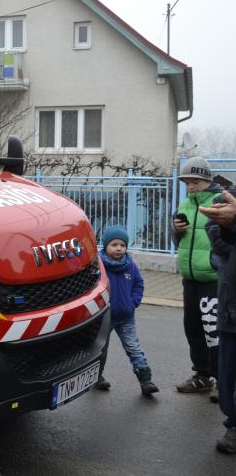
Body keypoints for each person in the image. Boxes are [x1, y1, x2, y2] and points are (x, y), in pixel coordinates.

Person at [172, 157, 221, 396]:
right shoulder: (184, 205)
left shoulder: (220, 203)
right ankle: (202, 376)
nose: (190, 187)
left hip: (212, 278)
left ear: (207, 181)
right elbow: (177, 241)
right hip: (189, 277)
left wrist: (215, 262)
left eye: (195, 182)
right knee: (193, 328)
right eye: (187, 182)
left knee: (214, 332)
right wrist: (176, 230)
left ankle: (223, 380)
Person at [95, 225, 159, 396]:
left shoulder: (130, 265)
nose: (119, 248)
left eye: (122, 245)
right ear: (105, 246)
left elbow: (138, 284)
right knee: (100, 349)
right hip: (104, 317)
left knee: (134, 347)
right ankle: (96, 377)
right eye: (114, 245)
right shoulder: (99, 266)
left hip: (126, 317)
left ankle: (146, 381)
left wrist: (133, 302)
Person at [202, 189, 236, 454]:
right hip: (230, 310)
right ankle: (233, 425)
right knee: (229, 375)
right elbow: (220, 245)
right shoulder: (226, 199)